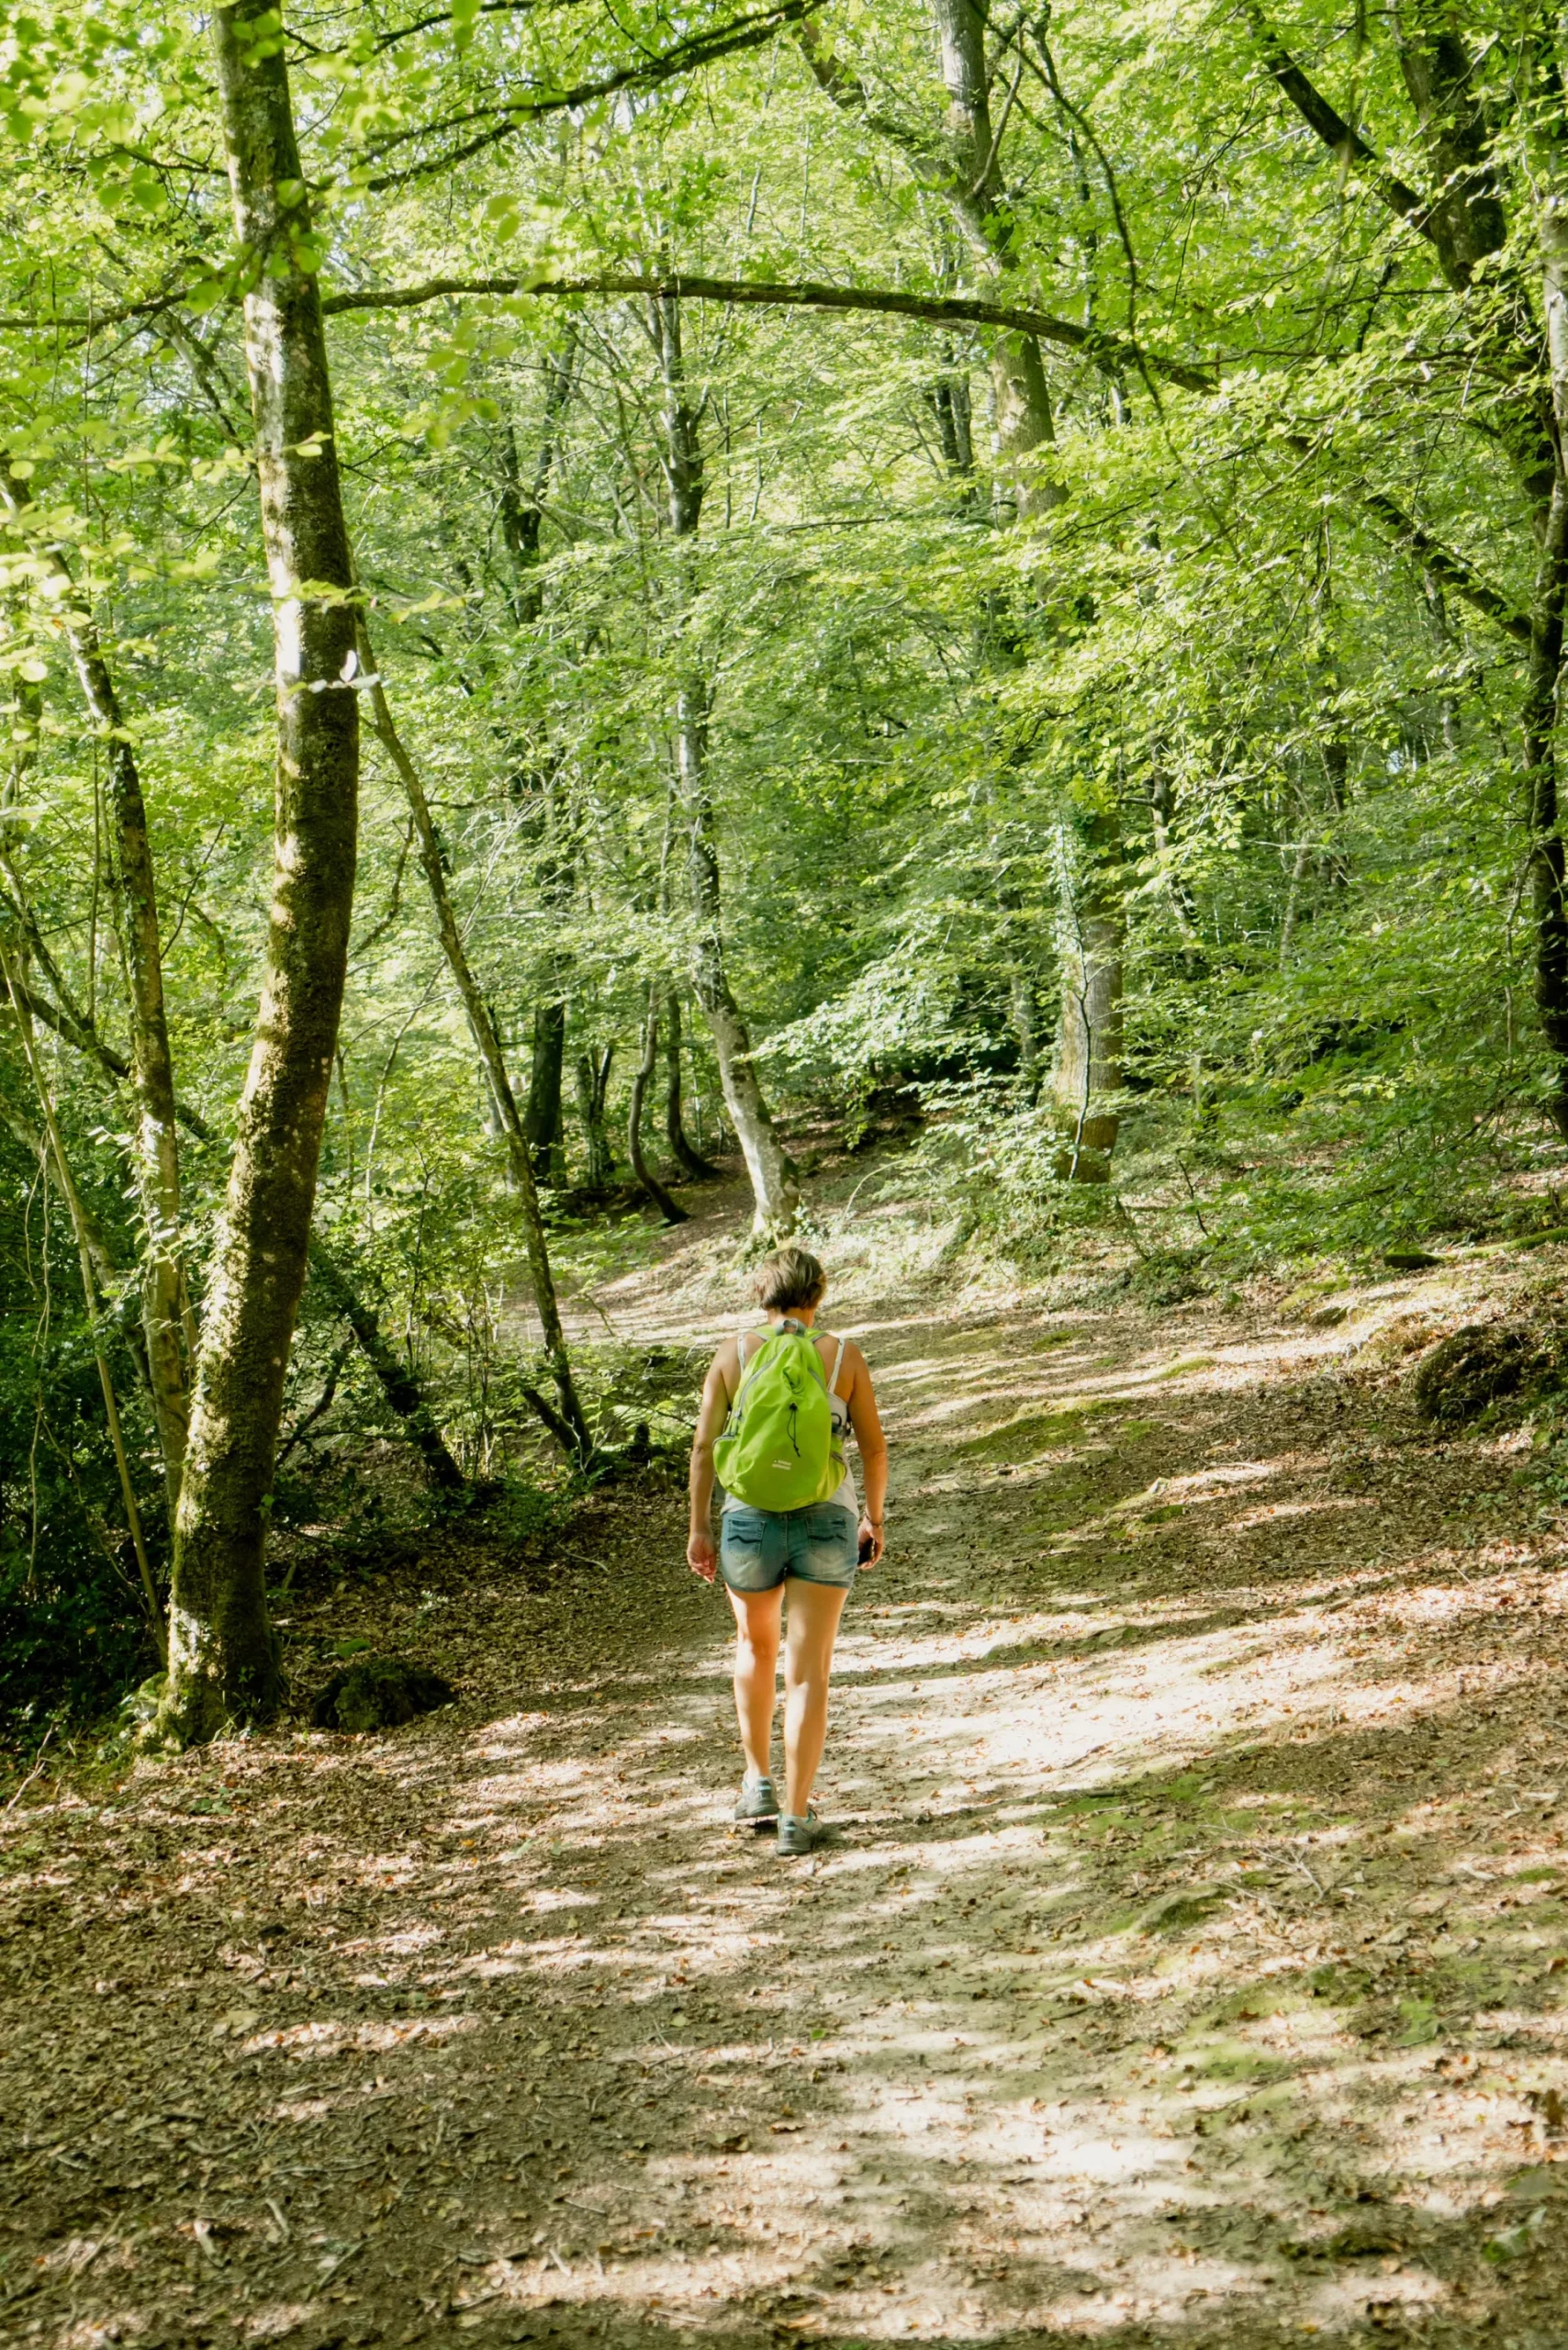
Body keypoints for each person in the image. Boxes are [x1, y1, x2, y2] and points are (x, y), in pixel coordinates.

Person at [687, 1246, 888, 1856]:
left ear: (761, 1295)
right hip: (828, 1519)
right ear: (818, 1295)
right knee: (808, 1672)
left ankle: (759, 1784)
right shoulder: (843, 1356)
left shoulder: (734, 1352)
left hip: (748, 1518)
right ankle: (796, 1820)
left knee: (754, 1646)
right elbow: (875, 1449)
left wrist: (699, 1527)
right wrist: (874, 1518)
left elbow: (702, 1447)